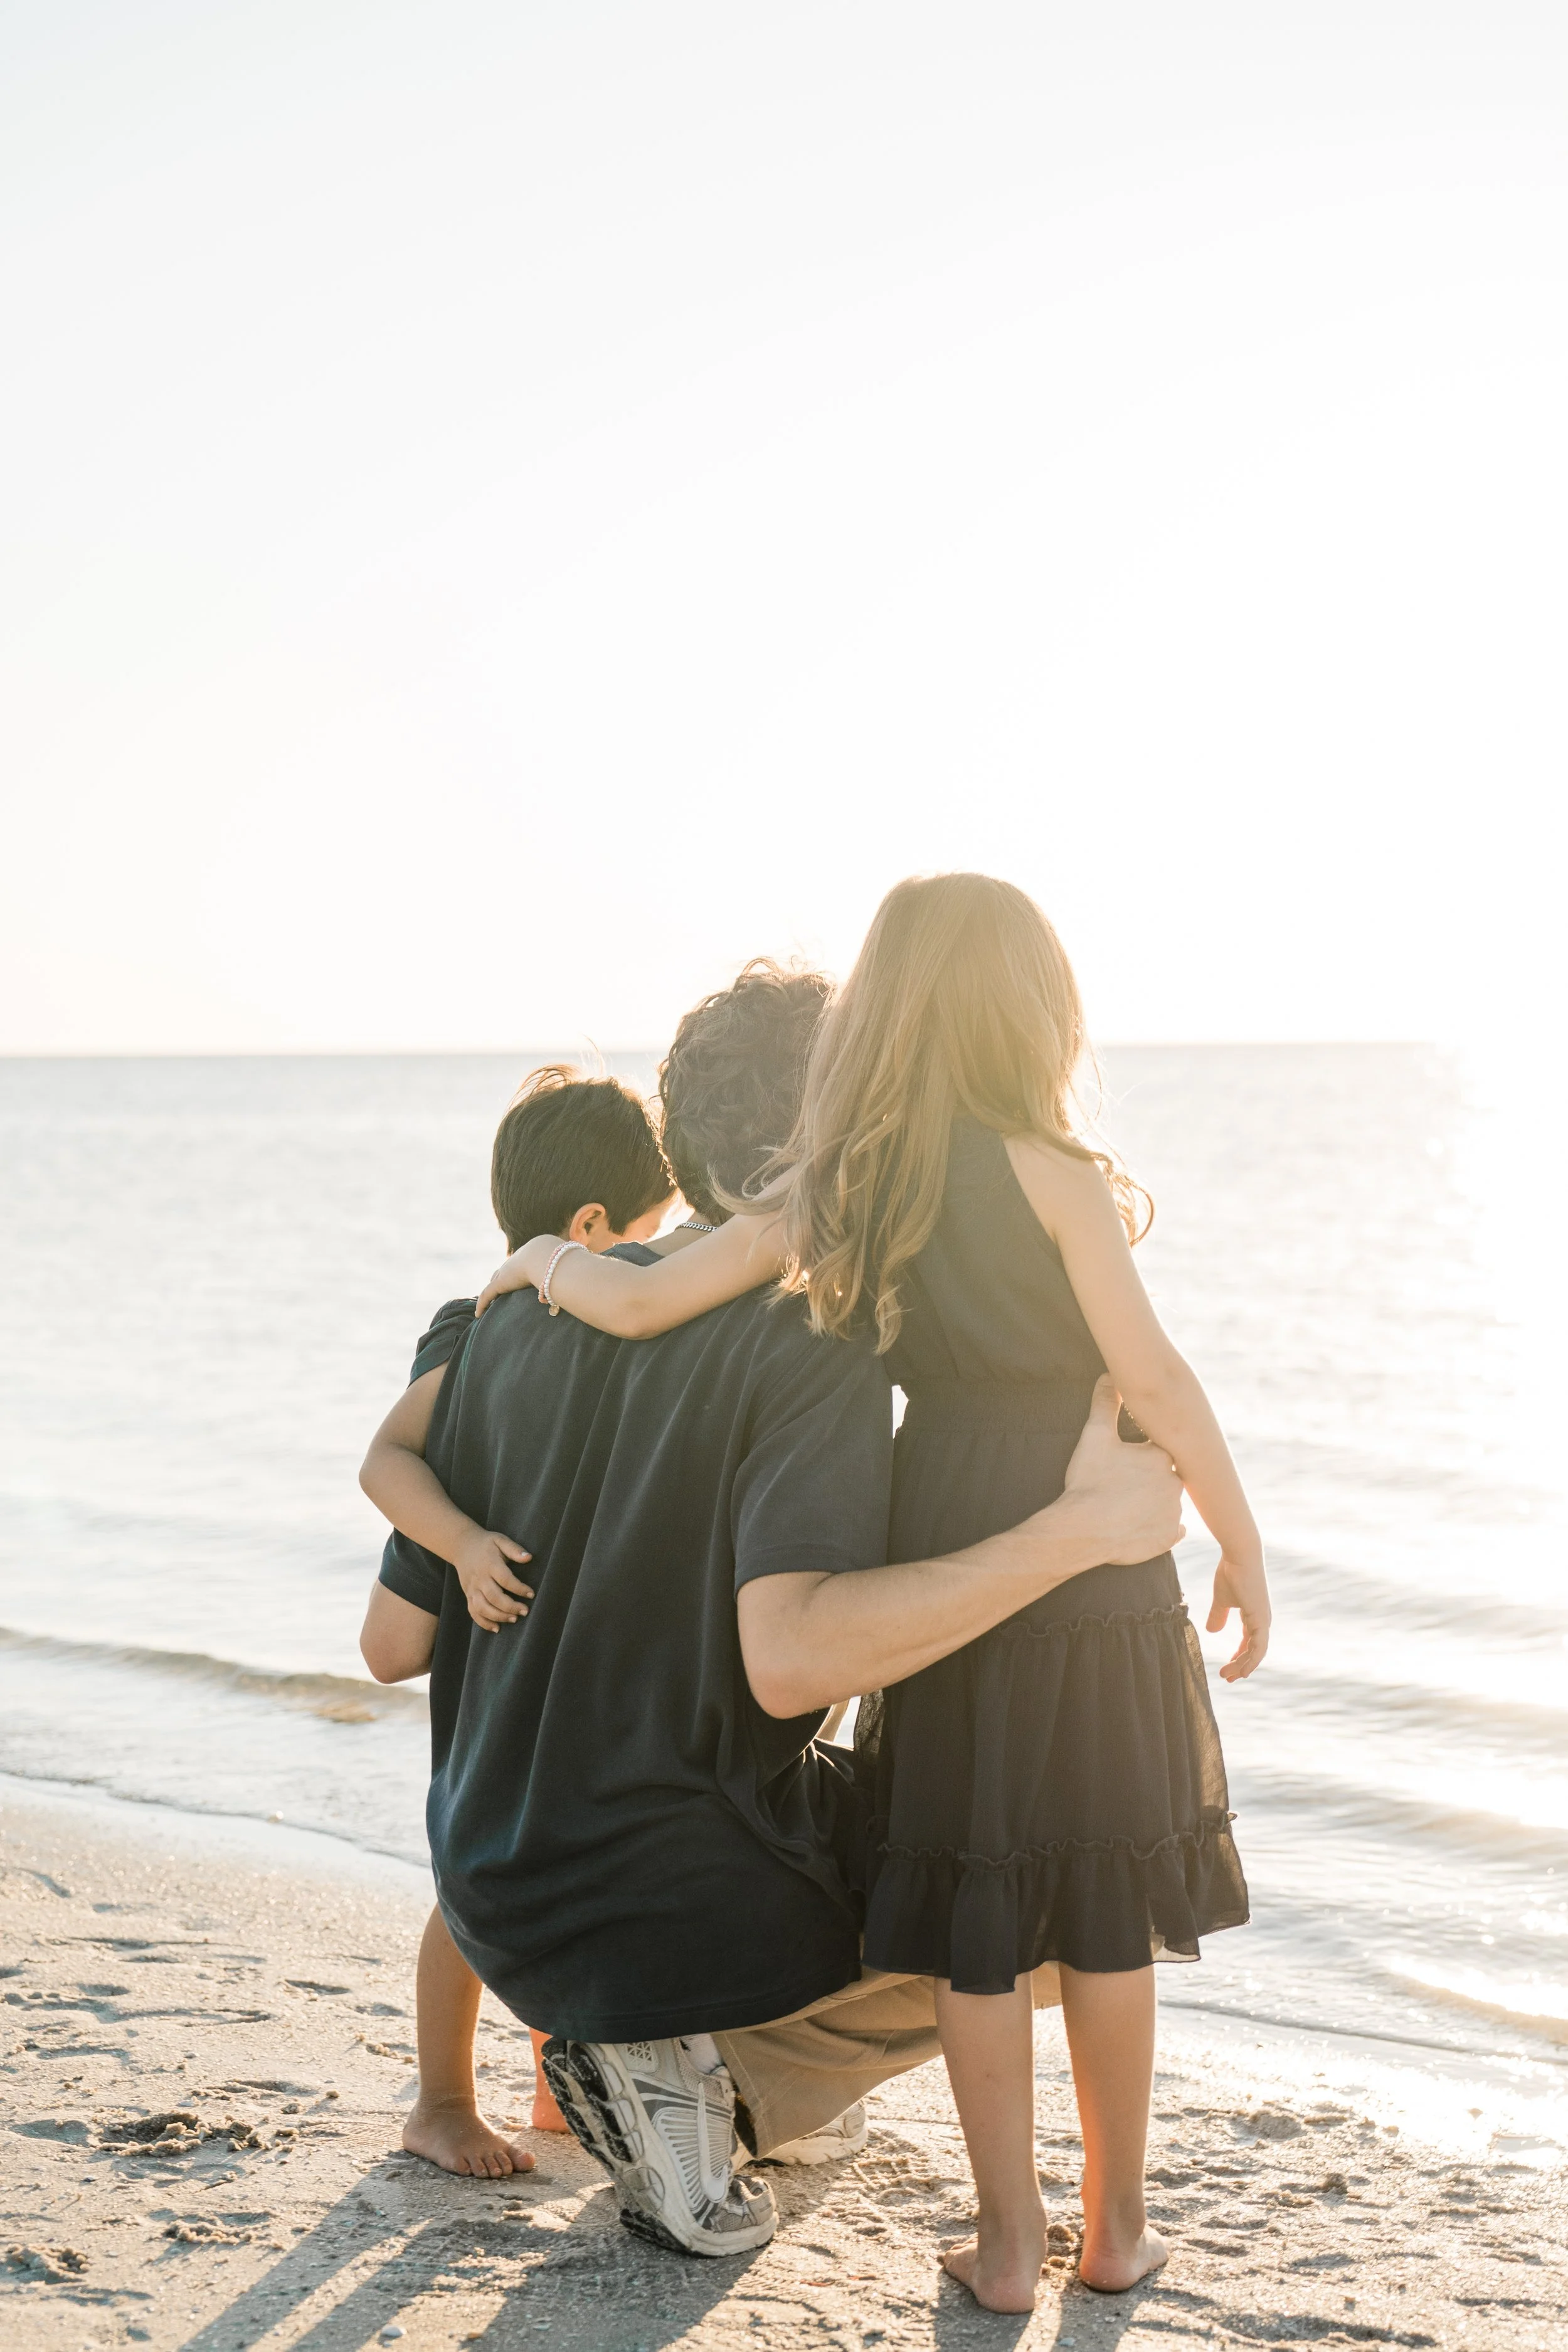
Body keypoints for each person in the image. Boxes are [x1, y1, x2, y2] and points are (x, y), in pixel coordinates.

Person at [474, 875, 1270, 2311]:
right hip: (1089, 1559)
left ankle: (1008, 2243)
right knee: (1100, 1907)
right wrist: (1238, 1536)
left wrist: (540, 1258)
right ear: (1039, 1009)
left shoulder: (851, 1190)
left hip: (945, 1546)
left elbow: (647, 1299)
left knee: (973, 1912)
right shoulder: (1055, 1171)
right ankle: (1118, 2229)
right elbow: (1148, 1374)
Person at [359, 1064, 674, 2176]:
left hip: (546, 1652)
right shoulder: (482, 1326)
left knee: (550, 1872)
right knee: (477, 1884)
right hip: (489, 1631)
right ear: (591, 1227)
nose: (660, 1253)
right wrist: (458, 1544)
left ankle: (555, 2082)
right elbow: (386, 1458)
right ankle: (440, 2100)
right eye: (652, 1231)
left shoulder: (601, 1335)